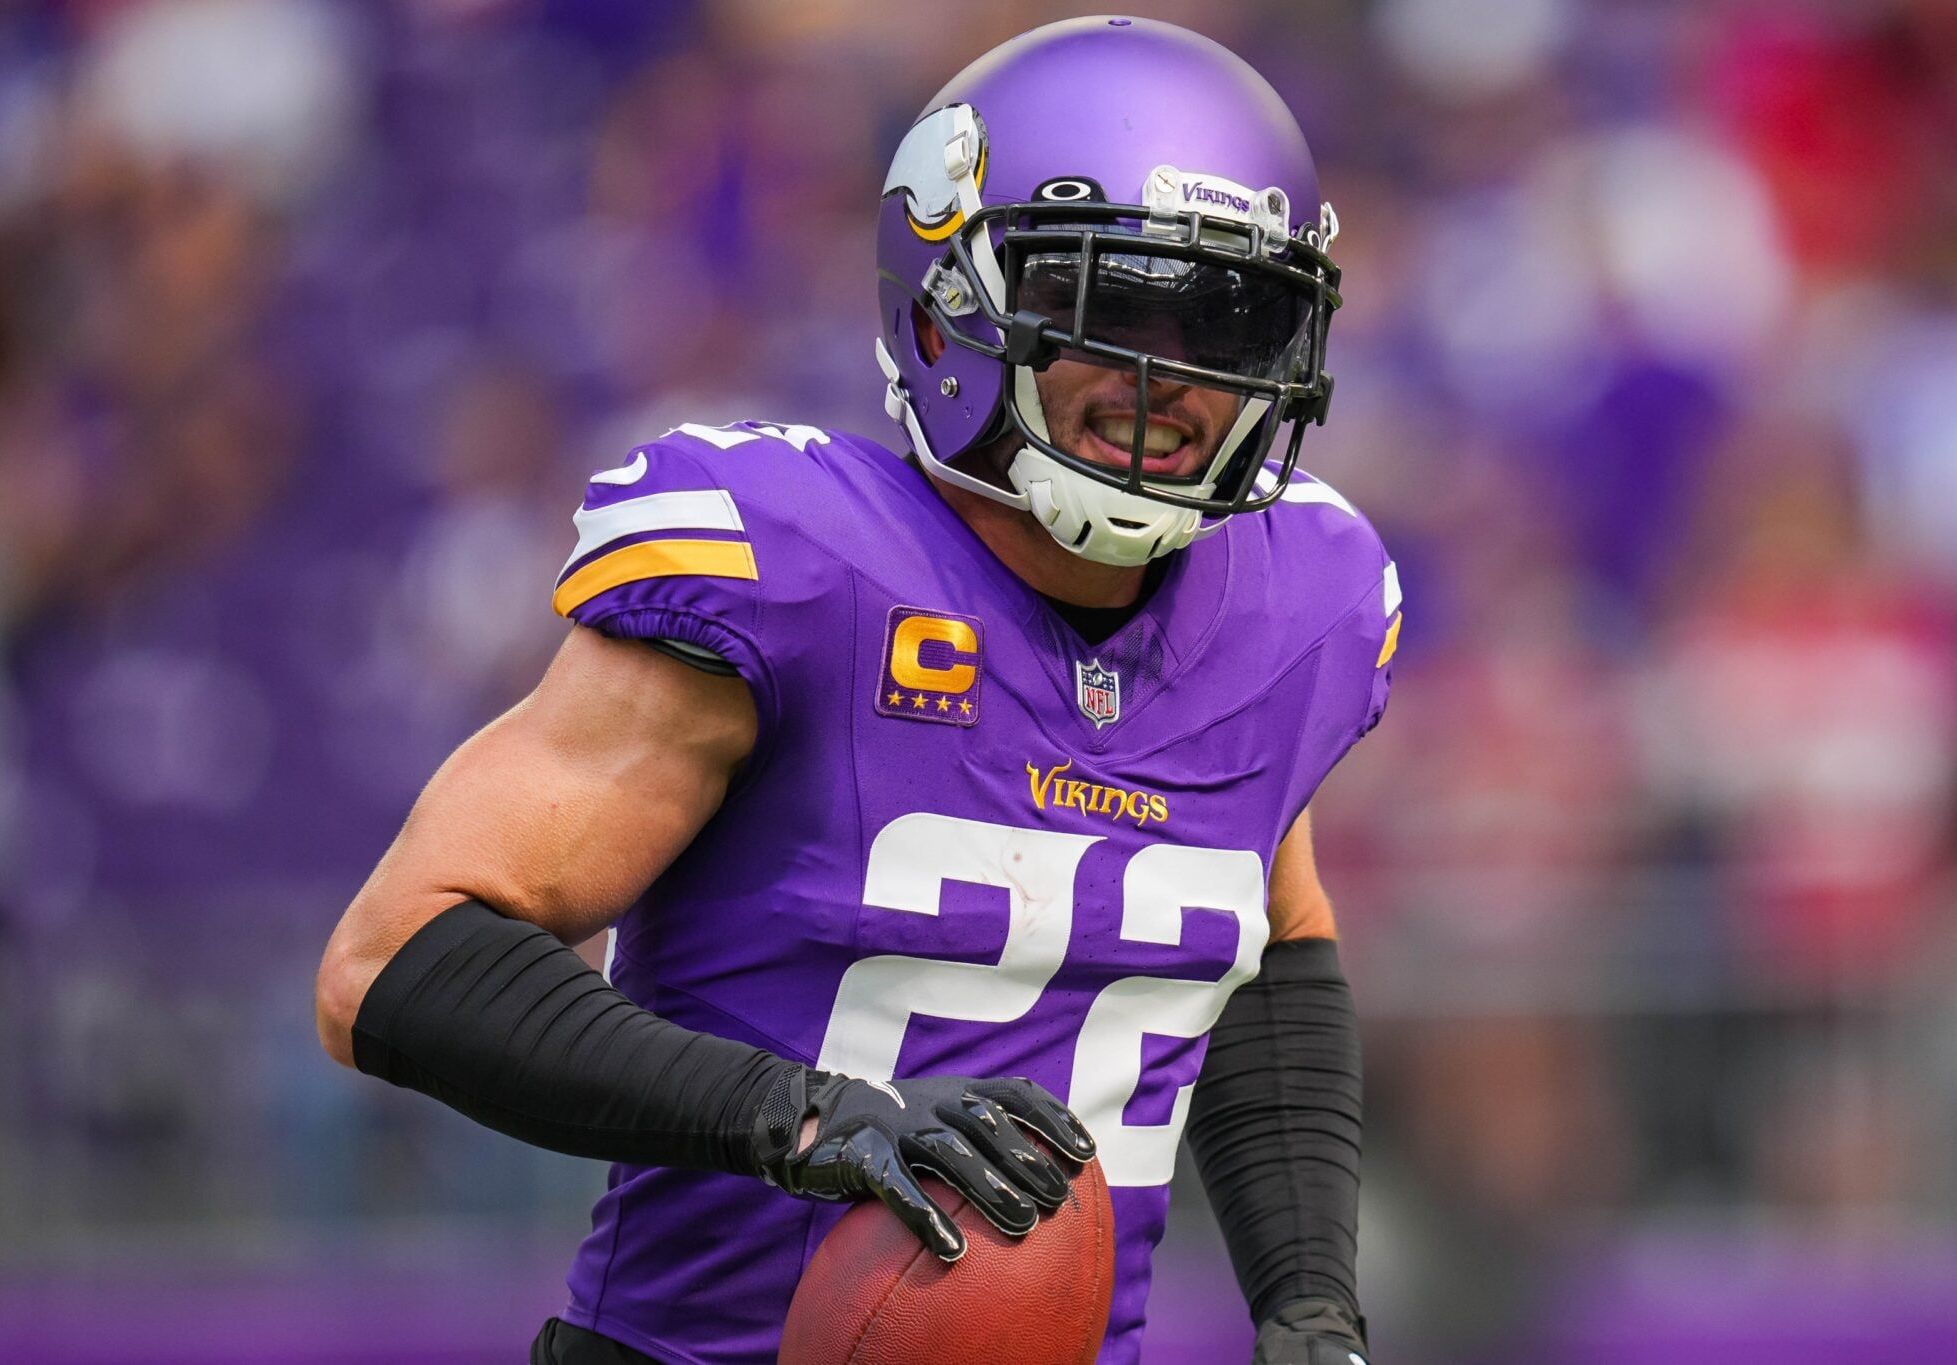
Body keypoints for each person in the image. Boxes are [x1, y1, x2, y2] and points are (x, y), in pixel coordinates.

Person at [313, 18, 1394, 1364]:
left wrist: (1308, 1302)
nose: (1166, 376)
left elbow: (1264, 947)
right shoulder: (801, 565)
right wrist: (803, 1115)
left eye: (1227, 317)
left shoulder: (1297, 605)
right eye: (1108, 308)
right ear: (955, 301)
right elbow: (389, 964)